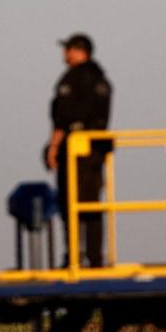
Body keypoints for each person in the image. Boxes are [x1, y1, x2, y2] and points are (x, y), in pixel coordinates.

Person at [45, 33, 112, 268]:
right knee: (91, 203)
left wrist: (54, 146)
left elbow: (64, 117)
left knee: (71, 203)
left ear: (78, 51)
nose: (65, 54)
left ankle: (74, 256)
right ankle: (95, 258)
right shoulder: (99, 77)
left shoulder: (73, 79)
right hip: (95, 151)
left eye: (68, 49)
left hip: (75, 151)